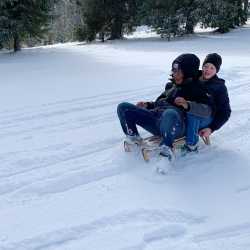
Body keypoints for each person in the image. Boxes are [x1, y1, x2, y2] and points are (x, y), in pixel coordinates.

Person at [117, 53, 213, 160]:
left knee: (170, 113)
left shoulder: (197, 88)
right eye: (174, 70)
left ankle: (166, 148)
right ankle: (133, 137)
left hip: (176, 126)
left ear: (188, 72)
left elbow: (207, 110)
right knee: (123, 107)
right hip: (157, 121)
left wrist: (188, 105)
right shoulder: (172, 86)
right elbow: (161, 102)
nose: (175, 74)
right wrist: (148, 105)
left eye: (179, 71)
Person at [197, 53, 231, 139]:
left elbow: (225, 112)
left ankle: (191, 143)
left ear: (217, 70)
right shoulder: (194, 77)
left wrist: (211, 128)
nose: (208, 70)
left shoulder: (219, 87)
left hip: (206, 118)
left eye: (212, 68)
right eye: (206, 66)